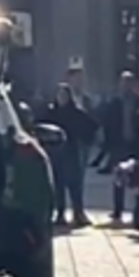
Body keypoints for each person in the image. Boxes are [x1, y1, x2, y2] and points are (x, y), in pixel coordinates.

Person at [39, 83, 99, 227]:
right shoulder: (51, 112)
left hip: (71, 152)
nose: (61, 98)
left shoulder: (75, 112)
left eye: (64, 95)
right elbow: (41, 126)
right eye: (59, 95)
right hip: (56, 153)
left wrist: (84, 141)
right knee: (58, 184)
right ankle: (60, 213)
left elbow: (92, 126)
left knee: (75, 184)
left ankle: (78, 213)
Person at [91, 72, 139, 222]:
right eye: (123, 82)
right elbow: (107, 122)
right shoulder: (114, 103)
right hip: (118, 144)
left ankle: (138, 212)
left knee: (137, 179)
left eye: (129, 82)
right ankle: (118, 210)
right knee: (118, 178)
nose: (126, 86)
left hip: (135, 145)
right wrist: (108, 142)